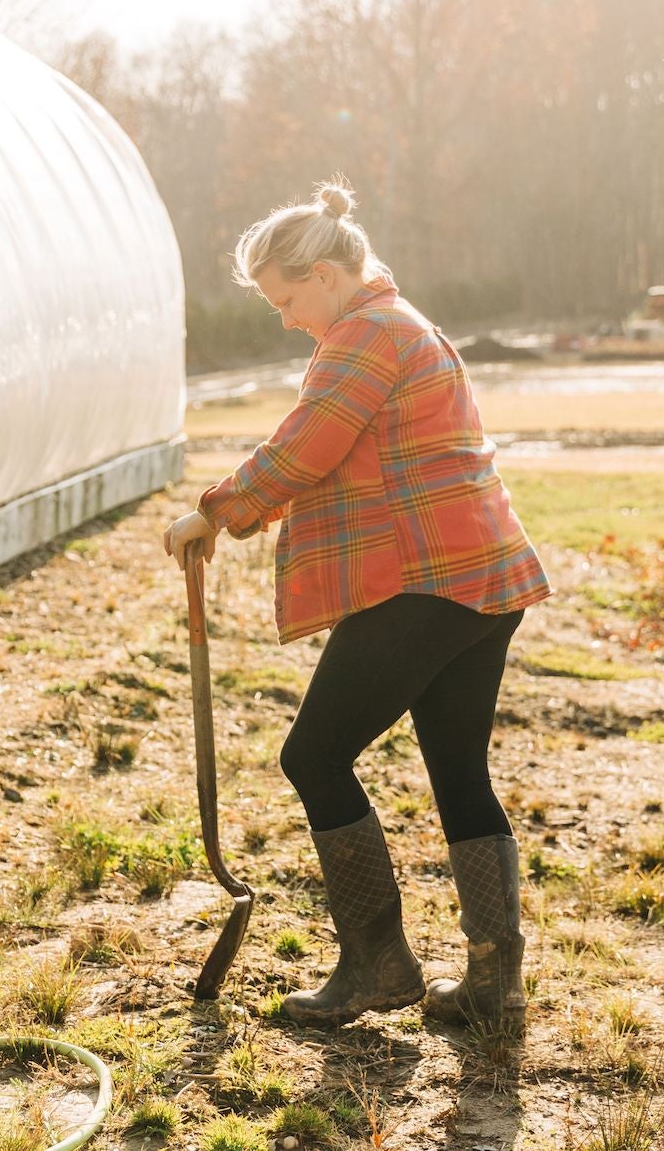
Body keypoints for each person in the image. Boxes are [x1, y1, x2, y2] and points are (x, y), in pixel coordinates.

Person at [161, 181, 554, 1029]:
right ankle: (493, 985)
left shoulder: (365, 332)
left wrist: (217, 509)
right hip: (481, 575)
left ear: (331, 274)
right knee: (458, 769)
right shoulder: (396, 322)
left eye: (289, 298)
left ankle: (378, 963)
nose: (285, 317)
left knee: (314, 755)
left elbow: (307, 443)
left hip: (431, 578)